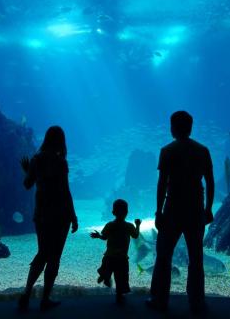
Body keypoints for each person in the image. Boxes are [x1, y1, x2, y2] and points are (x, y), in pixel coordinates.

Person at [146, 111, 215, 314]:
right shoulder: (202, 150)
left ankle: (159, 299)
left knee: (164, 255)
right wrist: (208, 208)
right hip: (195, 209)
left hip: (173, 208)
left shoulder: (167, 150)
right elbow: (210, 182)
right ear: (191, 127)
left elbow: (162, 184)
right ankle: (196, 301)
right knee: (196, 257)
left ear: (173, 128)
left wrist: (158, 211)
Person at [18, 126, 79, 312]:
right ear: (61, 141)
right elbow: (65, 191)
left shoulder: (37, 159)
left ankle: (26, 293)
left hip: (42, 214)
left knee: (42, 253)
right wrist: (73, 216)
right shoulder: (61, 162)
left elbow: (28, 184)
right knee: (54, 257)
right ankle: (45, 298)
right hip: (60, 215)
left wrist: (28, 170)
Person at [90, 199, 141, 303]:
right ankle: (118, 295)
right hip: (122, 258)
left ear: (113, 212)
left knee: (106, 268)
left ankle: (105, 276)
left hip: (109, 256)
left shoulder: (110, 225)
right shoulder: (129, 226)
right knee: (121, 278)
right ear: (127, 212)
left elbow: (104, 237)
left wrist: (98, 236)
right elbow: (135, 236)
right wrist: (138, 225)